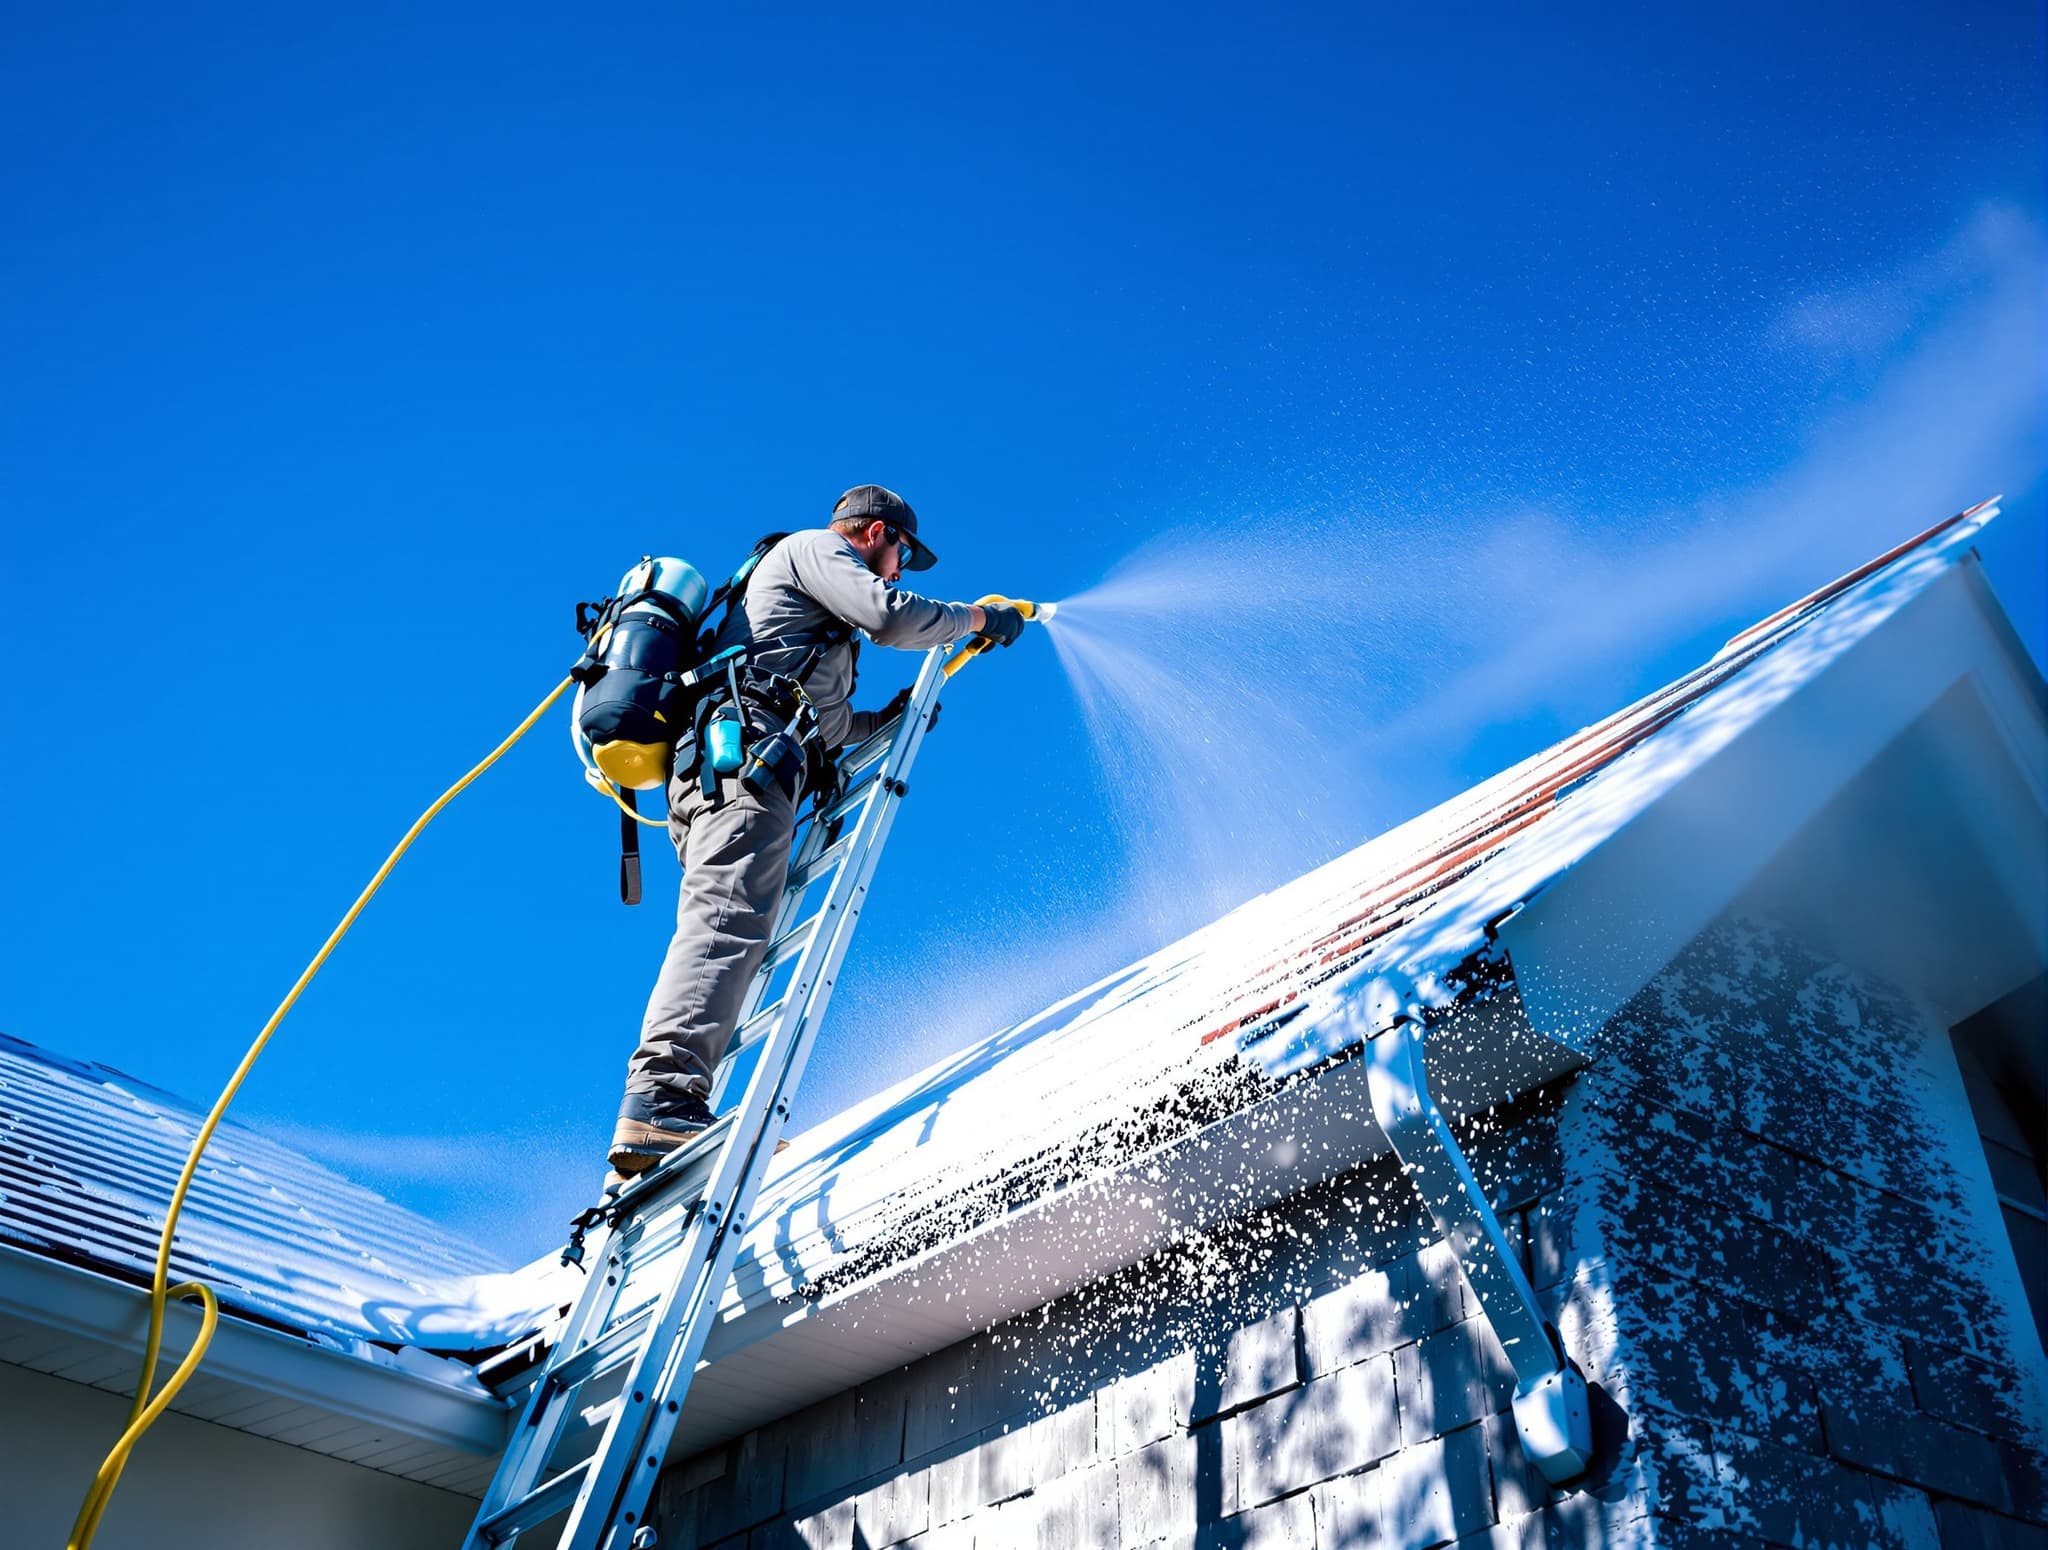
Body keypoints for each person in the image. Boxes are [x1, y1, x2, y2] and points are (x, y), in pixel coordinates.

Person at [608, 485, 1026, 1181]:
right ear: (870, 532)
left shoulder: (810, 636)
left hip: (749, 767)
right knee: (725, 923)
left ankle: (670, 1110)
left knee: (739, 930)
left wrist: (891, 720)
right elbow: (889, 617)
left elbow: (831, 733)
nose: (897, 570)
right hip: (739, 766)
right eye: (900, 554)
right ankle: (661, 1098)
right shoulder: (815, 549)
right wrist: (979, 615)